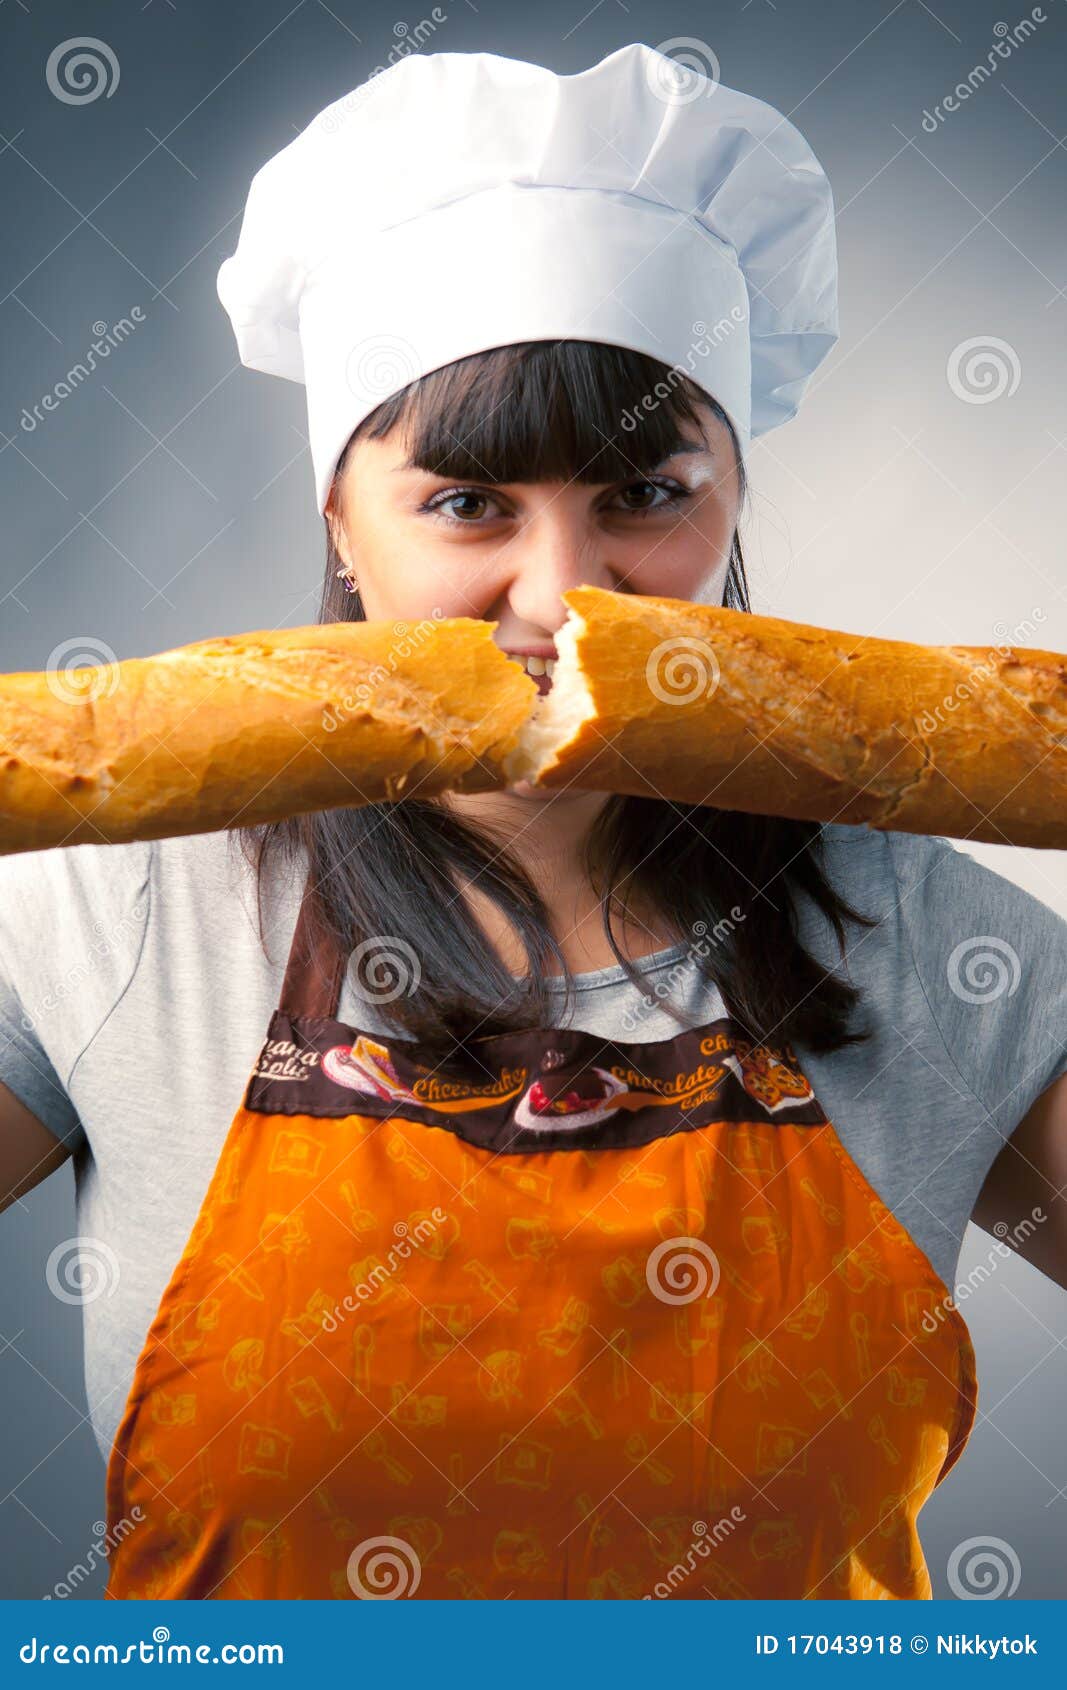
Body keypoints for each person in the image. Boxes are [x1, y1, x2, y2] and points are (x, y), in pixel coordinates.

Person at [1, 42, 1065, 1603]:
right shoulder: (126, 908)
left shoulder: (913, 928)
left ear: (734, 501)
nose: (562, 597)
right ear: (341, 521)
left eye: (645, 494)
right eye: (468, 503)